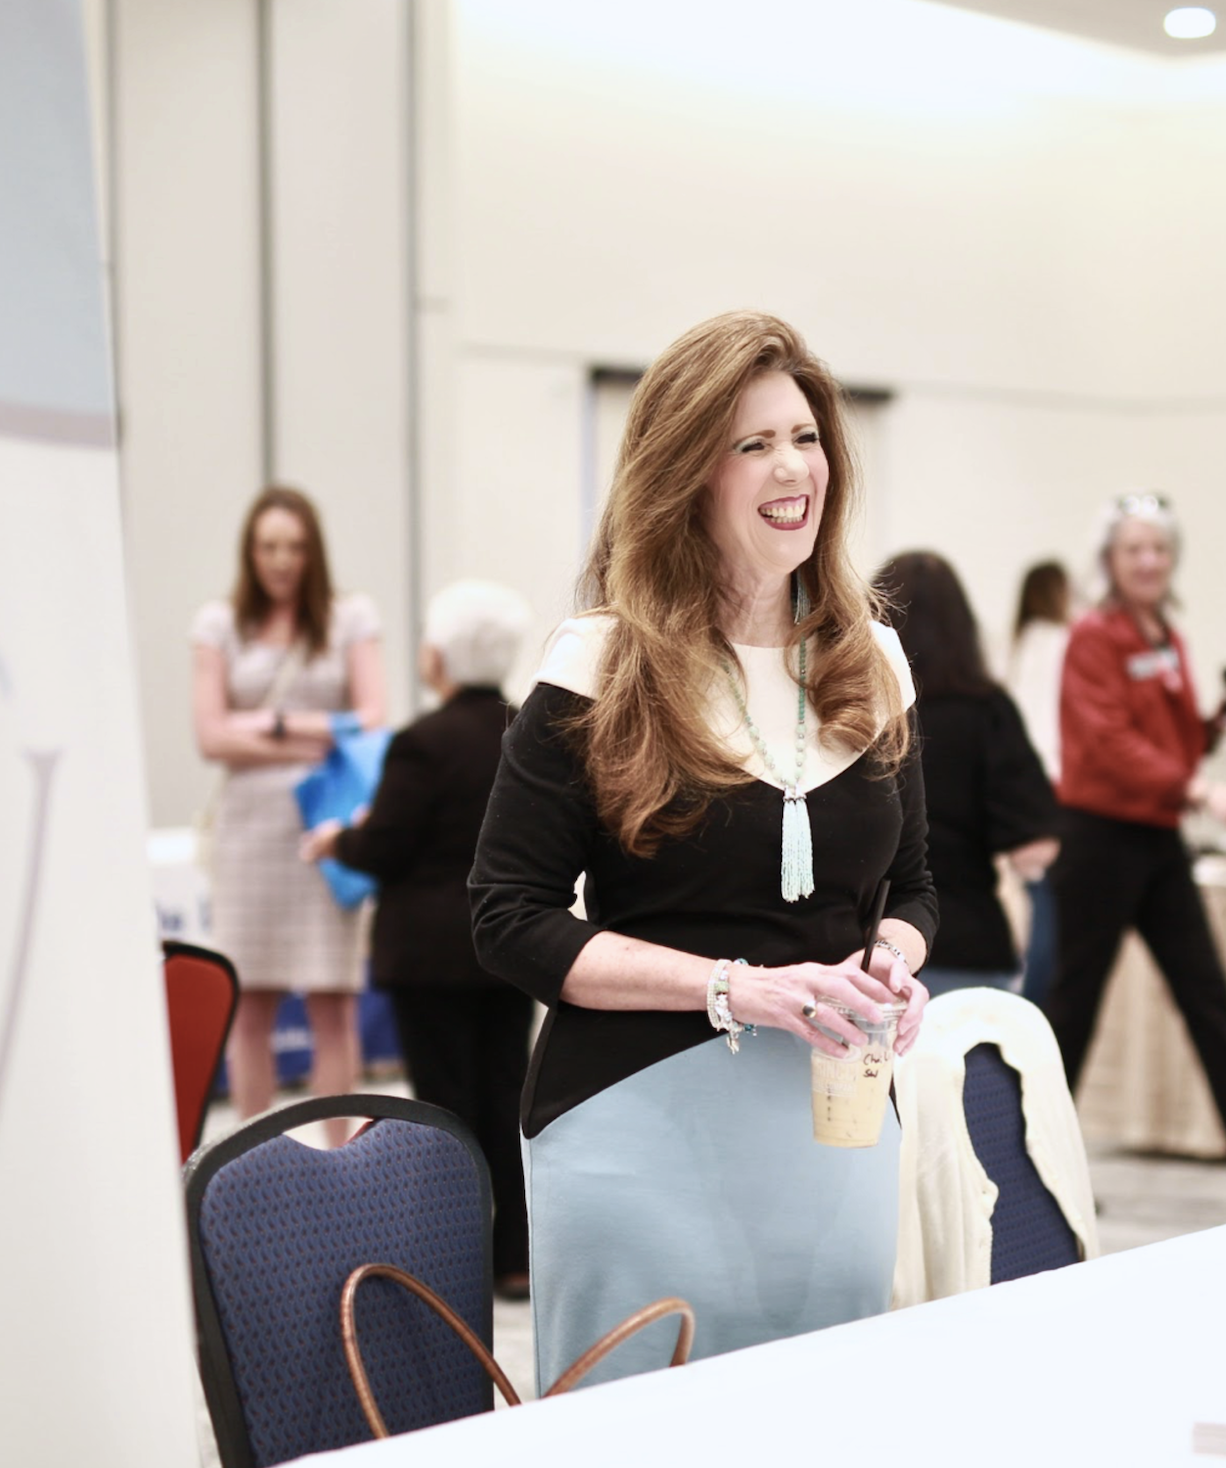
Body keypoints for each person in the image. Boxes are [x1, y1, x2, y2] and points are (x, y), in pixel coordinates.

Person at [470, 310, 936, 1392]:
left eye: (807, 438)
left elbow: (912, 887)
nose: (793, 468)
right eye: (753, 443)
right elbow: (509, 918)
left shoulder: (873, 665)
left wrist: (894, 958)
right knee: (636, 1463)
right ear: (688, 473)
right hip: (634, 1129)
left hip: (834, 1130)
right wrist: (735, 988)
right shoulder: (601, 663)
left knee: (819, 1454)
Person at [1043, 493, 1226, 1205]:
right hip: (1100, 841)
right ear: (1109, 560)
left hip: (1159, 841)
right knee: (1072, 1010)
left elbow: (1171, 742)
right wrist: (1199, 790)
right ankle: (1033, 1164)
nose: (1148, 561)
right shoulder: (1095, 637)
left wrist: (1217, 723)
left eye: (1159, 548)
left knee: (1208, 999)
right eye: (1133, 548)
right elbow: (1107, 741)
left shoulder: (1166, 636)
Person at [303, 579, 536, 1295]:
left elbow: (385, 849)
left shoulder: (420, 743)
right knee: (505, 1098)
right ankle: (516, 1257)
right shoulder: (530, 731)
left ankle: (452, 1258)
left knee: (441, 1109)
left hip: (429, 954)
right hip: (511, 951)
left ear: (437, 658)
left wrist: (339, 839)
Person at [190, 485, 384, 1134]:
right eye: (269, 546)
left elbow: (372, 718)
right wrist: (316, 729)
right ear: (250, 551)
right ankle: (249, 1162)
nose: (282, 560)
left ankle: (344, 1163)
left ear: (314, 551)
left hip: (324, 831)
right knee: (250, 1005)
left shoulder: (350, 617)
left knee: (333, 1004)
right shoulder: (219, 623)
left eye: (295, 547)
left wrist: (268, 724)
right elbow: (210, 736)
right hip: (247, 838)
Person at [876, 551, 1057, 997]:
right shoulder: (987, 711)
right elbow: (1034, 848)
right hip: (967, 945)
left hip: (868, 956)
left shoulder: (853, 713)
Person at [1005, 559, 1073, 1006]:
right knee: (1054, 914)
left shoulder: (1021, 645)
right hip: (1059, 787)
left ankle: (1032, 1006)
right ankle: (1039, 1012)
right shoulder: (1064, 643)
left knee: (1039, 904)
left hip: (1023, 790)